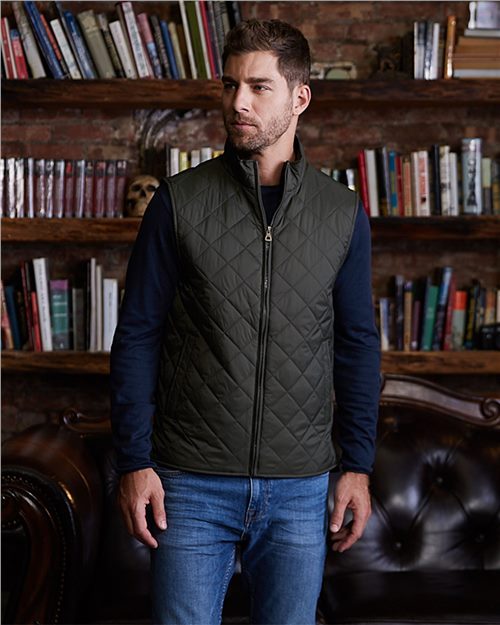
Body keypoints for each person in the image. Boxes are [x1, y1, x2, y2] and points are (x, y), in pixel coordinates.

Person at [110, 18, 381, 625]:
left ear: (299, 98)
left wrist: (358, 467)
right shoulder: (177, 202)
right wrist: (133, 461)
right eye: (230, 85)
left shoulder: (342, 214)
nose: (238, 102)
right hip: (190, 483)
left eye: (259, 87)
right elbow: (137, 337)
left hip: (300, 487)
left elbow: (357, 346)